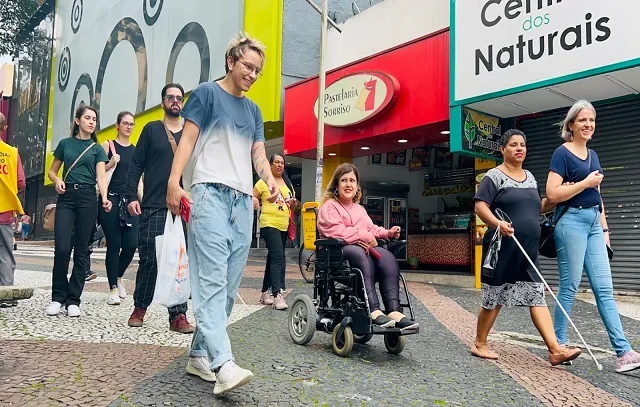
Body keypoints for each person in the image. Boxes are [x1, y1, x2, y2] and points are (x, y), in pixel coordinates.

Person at [166, 32, 278, 395]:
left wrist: (270, 180)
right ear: (231, 61)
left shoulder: (254, 110)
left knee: (228, 289)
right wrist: (174, 182)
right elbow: (187, 141)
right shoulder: (205, 94)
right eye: (248, 66)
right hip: (208, 195)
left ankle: (198, 354)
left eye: (258, 70)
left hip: (243, 202)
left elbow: (258, 154)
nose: (252, 74)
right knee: (211, 284)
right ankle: (223, 364)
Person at [472, 129, 581, 366]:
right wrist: (497, 223)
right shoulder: (494, 176)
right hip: (502, 247)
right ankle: (479, 343)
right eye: (513, 145)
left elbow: (536, 208)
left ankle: (555, 350)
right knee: (495, 297)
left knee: (536, 295)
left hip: (528, 249)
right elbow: (481, 206)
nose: (519, 148)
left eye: (522, 144)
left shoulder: (530, 177)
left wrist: (555, 199)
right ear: (503, 150)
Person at [546, 100, 640, 373]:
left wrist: (606, 229)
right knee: (570, 286)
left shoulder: (594, 155)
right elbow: (552, 194)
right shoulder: (561, 154)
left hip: (593, 224)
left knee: (604, 289)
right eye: (583, 120)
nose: (588, 125)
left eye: (592, 120)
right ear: (571, 124)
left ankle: (623, 353)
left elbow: (597, 197)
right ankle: (558, 347)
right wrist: (585, 182)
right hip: (571, 221)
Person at [126, 83, 194, 333]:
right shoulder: (151, 130)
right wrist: (131, 195)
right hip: (154, 205)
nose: (175, 101)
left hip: (183, 209)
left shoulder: (190, 132)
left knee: (179, 262)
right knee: (150, 260)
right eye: (170, 97)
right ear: (163, 101)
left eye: (179, 98)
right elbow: (136, 165)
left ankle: (178, 315)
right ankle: (140, 307)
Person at [317, 163, 418, 330]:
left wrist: (387, 233)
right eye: (344, 180)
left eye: (352, 180)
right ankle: (373, 309)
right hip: (336, 253)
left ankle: (394, 310)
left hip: (362, 250)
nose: (348, 184)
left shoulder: (360, 209)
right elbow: (336, 231)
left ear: (357, 187)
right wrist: (363, 235)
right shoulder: (329, 207)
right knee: (360, 255)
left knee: (387, 257)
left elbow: (370, 229)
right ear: (336, 185)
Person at [46, 106, 112, 317]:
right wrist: (57, 181)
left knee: (82, 250)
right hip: (66, 198)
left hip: (87, 199)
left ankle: (73, 299)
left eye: (94, 119)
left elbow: (101, 177)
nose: (92, 122)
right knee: (63, 249)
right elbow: (52, 171)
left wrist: (104, 197)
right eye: (87, 118)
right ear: (77, 121)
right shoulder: (65, 144)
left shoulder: (96, 149)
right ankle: (57, 297)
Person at [100, 111, 138, 305]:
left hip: (130, 201)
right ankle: (113, 288)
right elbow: (96, 172)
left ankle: (119, 276)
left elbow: (139, 179)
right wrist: (111, 163)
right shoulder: (108, 145)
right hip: (111, 201)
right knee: (114, 244)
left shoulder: (135, 150)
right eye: (125, 123)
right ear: (117, 125)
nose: (129, 127)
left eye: (131, 124)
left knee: (131, 244)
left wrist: (142, 200)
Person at [253, 153, 297, 310]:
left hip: (283, 224)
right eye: (277, 162)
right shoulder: (263, 182)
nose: (280, 165)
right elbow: (252, 198)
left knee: (273, 257)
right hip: (268, 224)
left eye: (282, 163)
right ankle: (277, 294)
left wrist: (293, 203)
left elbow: (293, 206)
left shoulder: (287, 183)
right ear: (270, 165)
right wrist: (256, 201)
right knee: (279, 256)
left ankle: (265, 292)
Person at [0, 112, 26, 308]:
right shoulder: (12, 152)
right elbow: (21, 182)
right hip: (5, 211)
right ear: (4, 129)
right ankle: (7, 294)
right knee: (6, 254)